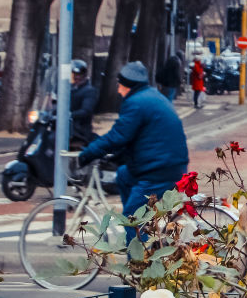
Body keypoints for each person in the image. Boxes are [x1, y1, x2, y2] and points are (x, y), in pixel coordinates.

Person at [77, 61, 189, 243]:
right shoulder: (152, 96)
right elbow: (136, 136)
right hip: (169, 164)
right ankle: (143, 232)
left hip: (157, 171)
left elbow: (118, 136)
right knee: (122, 174)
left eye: (120, 86)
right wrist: (117, 155)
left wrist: (88, 153)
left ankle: (138, 264)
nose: (119, 91)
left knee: (131, 215)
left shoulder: (136, 104)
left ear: (128, 86)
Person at [69, 59, 98, 147]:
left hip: (79, 130)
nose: (74, 77)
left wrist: (69, 114)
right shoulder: (70, 89)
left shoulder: (89, 91)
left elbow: (86, 110)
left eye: (76, 74)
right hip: (68, 128)